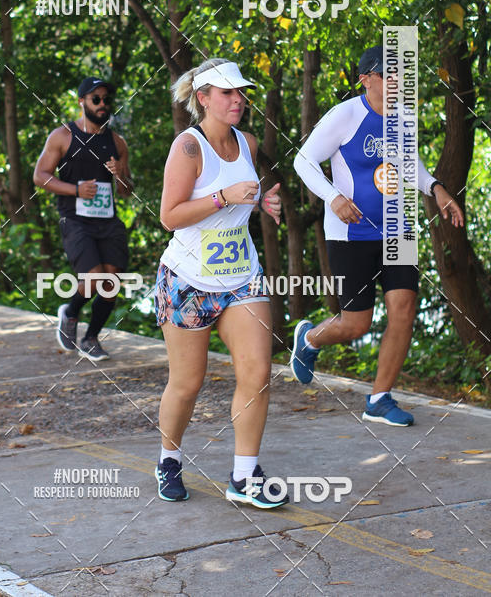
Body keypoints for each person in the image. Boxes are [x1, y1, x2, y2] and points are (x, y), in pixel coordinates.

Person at [291, 45, 464, 426]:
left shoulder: (402, 118)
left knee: (404, 309)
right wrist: (333, 197)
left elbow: (410, 163)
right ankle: (310, 339)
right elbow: (302, 160)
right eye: (387, 76)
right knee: (357, 324)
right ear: (365, 79)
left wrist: (436, 188)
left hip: (397, 230)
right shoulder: (346, 114)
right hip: (351, 235)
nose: (395, 83)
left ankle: (379, 398)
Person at [153, 58, 288, 508]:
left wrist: (263, 201)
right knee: (188, 383)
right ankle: (168, 459)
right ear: (203, 98)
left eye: (241, 92)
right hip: (188, 280)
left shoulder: (247, 143)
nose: (237, 100)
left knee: (258, 371)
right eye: (227, 93)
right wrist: (222, 197)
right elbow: (170, 216)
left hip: (240, 278)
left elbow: (247, 194)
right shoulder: (187, 148)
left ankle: (245, 475)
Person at [33, 76, 133, 360]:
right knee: (93, 278)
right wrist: (76, 189)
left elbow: (126, 192)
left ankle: (91, 339)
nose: (103, 105)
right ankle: (71, 311)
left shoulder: (117, 142)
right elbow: (40, 176)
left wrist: (120, 175)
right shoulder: (63, 136)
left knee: (111, 282)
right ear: (82, 102)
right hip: (75, 219)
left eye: (106, 100)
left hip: (107, 219)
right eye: (96, 99)